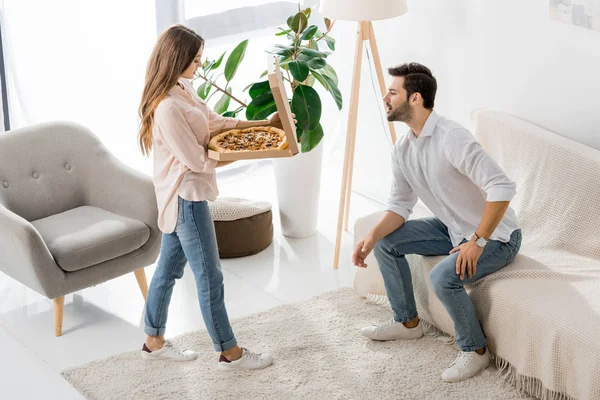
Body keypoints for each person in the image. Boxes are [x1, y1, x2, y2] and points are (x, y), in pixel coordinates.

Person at [353, 62, 522, 382]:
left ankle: (476, 351)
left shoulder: (452, 137)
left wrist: (478, 241)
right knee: (387, 242)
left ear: (415, 98)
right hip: (452, 228)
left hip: (498, 236)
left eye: (392, 92)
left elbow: (502, 187)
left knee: (445, 275)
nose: (385, 98)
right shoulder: (403, 148)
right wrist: (372, 236)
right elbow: (400, 205)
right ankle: (406, 323)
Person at [137, 24, 280, 370]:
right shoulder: (167, 108)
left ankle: (153, 342)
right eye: (196, 60)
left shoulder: (183, 88)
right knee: (210, 277)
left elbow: (214, 122)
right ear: (178, 59)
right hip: (185, 198)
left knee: (167, 272)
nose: (200, 65)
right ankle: (229, 352)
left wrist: (258, 126)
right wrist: (252, 151)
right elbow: (196, 160)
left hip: (184, 197)